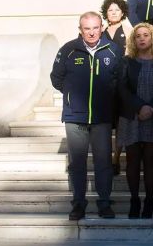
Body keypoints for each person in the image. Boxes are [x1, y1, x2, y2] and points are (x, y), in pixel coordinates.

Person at [50, 12, 123, 220]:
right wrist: (73, 95)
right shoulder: (68, 49)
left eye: (95, 28)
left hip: (102, 117)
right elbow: (56, 77)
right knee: (77, 163)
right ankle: (78, 204)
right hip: (75, 117)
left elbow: (119, 79)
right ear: (80, 30)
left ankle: (104, 203)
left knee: (103, 162)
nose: (91, 32)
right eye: (87, 28)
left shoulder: (113, 50)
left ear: (101, 27)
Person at [117, 22, 153, 219]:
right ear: (133, 39)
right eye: (138, 36)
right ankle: (134, 199)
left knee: (150, 160)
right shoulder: (126, 61)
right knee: (132, 161)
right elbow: (122, 88)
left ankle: (148, 199)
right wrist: (140, 106)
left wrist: (151, 107)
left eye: (146, 35)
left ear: (152, 37)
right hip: (132, 116)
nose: (141, 38)